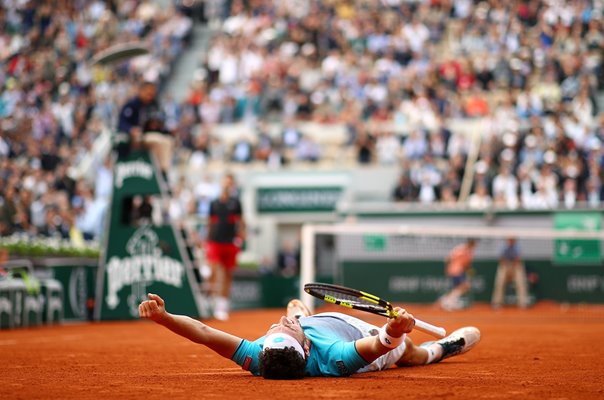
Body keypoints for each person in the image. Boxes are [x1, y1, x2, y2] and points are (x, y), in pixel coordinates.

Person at [139, 293, 481, 379]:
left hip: (320, 324)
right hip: (366, 337)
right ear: (305, 347)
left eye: (275, 328)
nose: (277, 323)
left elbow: (202, 332)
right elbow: (379, 344)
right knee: (410, 355)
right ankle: (442, 347)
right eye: (286, 327)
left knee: (294, 305)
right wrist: (396, 328)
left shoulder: (260, 358)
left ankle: (301, 313)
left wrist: (164, 317)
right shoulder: (335, 358)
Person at [205, 173, 245, 320]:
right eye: (225, 182)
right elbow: (210, 222)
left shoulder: (236, 203)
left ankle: (222, 307)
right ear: (221, 184)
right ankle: (210, 302)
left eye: (230, 183)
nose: (227, 185)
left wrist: (240, 237)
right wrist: (206, 241)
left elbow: (241, 222)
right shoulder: (214, 203)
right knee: (213, 272)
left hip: (230, 243)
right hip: (215, 242)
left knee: (228, 274)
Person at [116, 81, 174, 176]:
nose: (150, 95)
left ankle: (162, 171)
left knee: (167, 141)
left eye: (152, 93)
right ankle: (162, 172)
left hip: (147, 136)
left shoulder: (153, 105)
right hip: (133, 139)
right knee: (159, 141)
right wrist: (130, 129)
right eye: (148, 92)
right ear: (141, 91)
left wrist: (163, 129)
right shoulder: (132, 105)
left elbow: (157, 123)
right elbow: (121, 123)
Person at [438, 239, 477, 311]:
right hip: (457, 271)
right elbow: (448, 258)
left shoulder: (465, 250)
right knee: (464, 286)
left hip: (457, 271)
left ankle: (448, 301)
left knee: (459, 287)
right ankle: (447, 301)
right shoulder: (463, 250)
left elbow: (448, 259)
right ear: (471, 243)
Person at [491, 238, 530, 309]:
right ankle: (497, 303)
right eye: (510, 240)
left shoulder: (518, 246)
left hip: (516, 265)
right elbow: (501, 258)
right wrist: (507, 268)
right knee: (499, 283)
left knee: (521, 283)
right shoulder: (502, 246)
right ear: (507, 240)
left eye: (513, 240)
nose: (512, 241)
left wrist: (512, 270)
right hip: (504, 264)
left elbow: (518, 258)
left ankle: (523, 302)